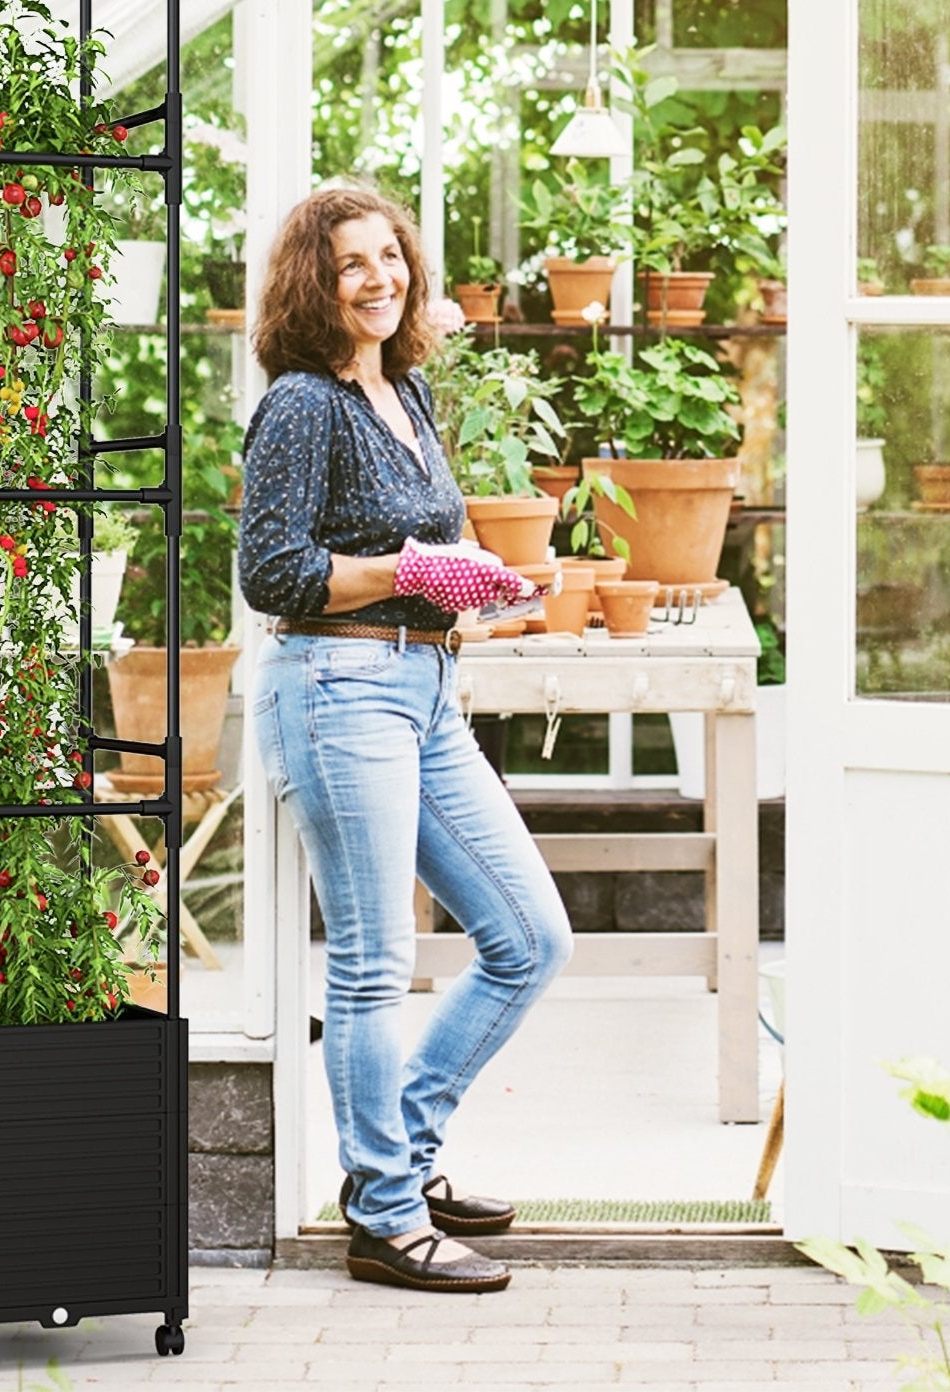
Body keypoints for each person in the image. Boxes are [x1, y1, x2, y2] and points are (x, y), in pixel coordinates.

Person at [239, 184, 574, 1294]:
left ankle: (404, 1157)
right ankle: (383, 1214)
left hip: (423, 690)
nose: (378, 278)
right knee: (376, 964)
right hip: (335, 690)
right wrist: (411, 572)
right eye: (351, 264)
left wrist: (492, 581)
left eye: (390, 257)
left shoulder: (407, 389)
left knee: (529, 936)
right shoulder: (300, 404)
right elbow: (273, 574)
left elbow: (442, 543)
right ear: (312, 282)